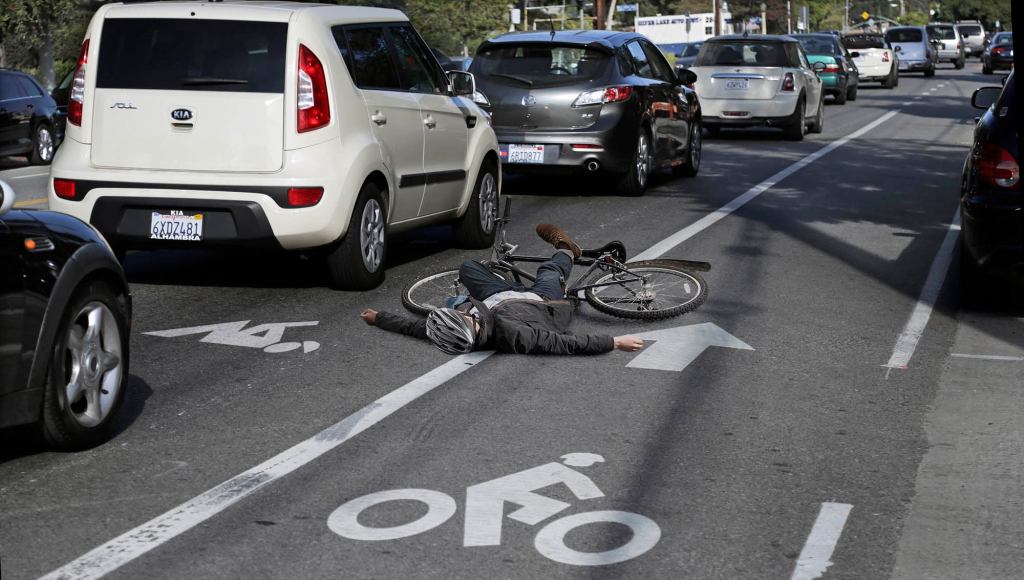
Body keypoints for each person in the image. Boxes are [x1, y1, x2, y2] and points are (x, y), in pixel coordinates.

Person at [361, 224, 644, 355]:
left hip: (497, 296)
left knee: (469, 267)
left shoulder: (452, 331)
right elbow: (565, 344)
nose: (456, 312)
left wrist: (379, 318)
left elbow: (414, 328)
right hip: (541, 300)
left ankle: (508, 269)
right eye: (459, 315)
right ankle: (566, 249)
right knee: (549, 271)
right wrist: (615, 342)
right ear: (467, 325)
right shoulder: (514, 335)